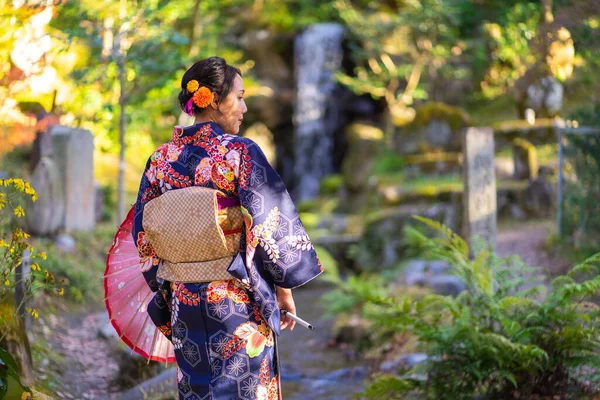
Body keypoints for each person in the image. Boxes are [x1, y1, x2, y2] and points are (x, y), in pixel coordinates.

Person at [132, 57, 323, 400]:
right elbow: (270, 220)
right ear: (215, 101)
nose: (245, 107)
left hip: (184, 301)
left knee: (197, 388)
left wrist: (172, 282)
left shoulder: (160, 160)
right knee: (246, 388)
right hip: (236, 300)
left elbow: (143, 235)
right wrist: (283, 289)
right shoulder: (239, 152)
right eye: (239, 97)